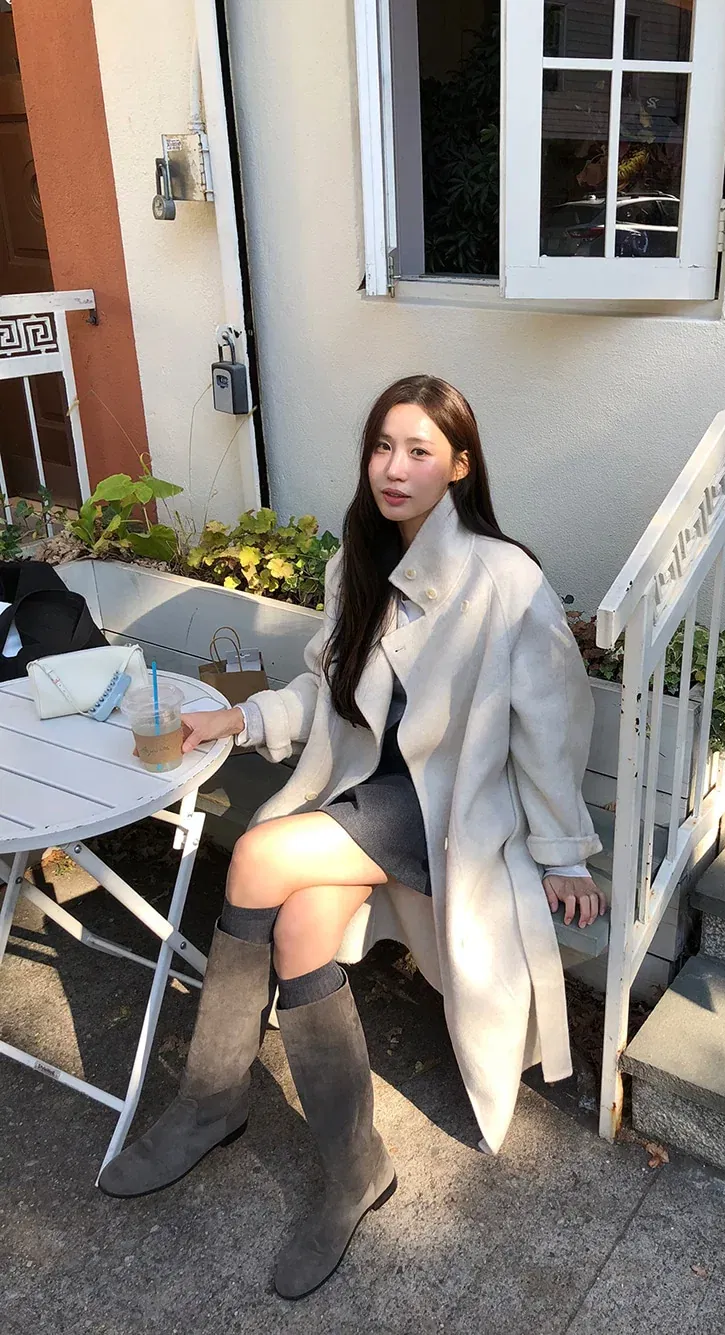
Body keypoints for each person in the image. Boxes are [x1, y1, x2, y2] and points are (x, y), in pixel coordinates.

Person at [98, 375, 606, 1300]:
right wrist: (242, 720)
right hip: (370, 794)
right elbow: (325, 689)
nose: (394, 468)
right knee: (298, 927)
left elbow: (553, 721)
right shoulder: (357, 565)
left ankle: (210, 1099)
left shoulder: (504, 579)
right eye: (381, 446)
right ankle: (355, 1165)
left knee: (258, 855)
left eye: (419, 451)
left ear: (461, 465)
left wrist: (564, 849)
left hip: (448, 811)